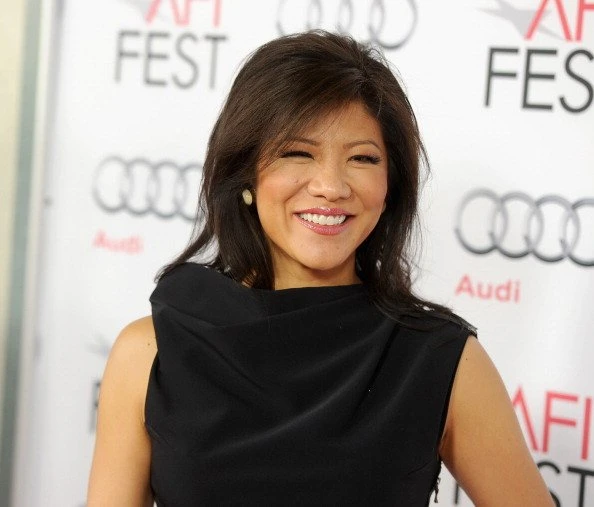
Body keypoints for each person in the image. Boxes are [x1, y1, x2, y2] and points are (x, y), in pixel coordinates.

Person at [87, 31, 553, 506]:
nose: (331, 186)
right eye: (298, 153)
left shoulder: (440, 359)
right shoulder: (150, 352)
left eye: (362, 158)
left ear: (389, 186)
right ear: (246, 172)